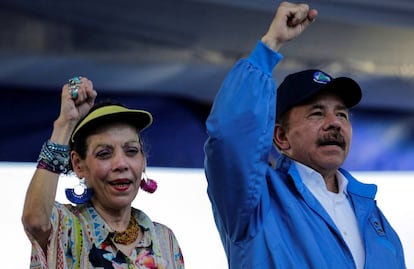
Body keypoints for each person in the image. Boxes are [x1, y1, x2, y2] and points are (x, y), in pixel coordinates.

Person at [204, 2, 406, 269]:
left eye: (342, 114)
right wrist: (270, 45)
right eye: (317, 113)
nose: (334, 123)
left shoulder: (373, 217)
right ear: (281, 137)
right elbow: (230, 139)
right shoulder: (256, 203)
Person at [22, 76, 185, 268]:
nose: (121, 163)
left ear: (143, 161)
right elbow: (35, 221)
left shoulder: (164, 239)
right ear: (78, 165)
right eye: (105, 154)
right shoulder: (65, 227)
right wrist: (65, 124)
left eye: (131, 151)